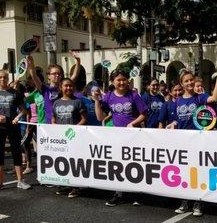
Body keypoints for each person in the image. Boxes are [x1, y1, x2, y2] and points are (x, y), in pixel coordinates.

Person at [166, 69, 217, 216]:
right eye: (186, 81)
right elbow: (177, 119)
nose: (189, 83)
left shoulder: (200, 97)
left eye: (191, 80)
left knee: (198, 173)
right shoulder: (177, 101)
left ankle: (199, 202)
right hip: (183, 143)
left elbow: (215, 98)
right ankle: (185, 202)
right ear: (182, 84)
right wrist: (172, 124)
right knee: (185, 173)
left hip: (199, 141)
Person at [93, 70, 147, 206]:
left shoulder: (133, 95)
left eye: (124, 79)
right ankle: (119, 193)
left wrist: (132, 123)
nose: (122, 82)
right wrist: (97, 102)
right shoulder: (109, 97)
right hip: (117, 137)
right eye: (118, 80)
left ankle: (137, 193)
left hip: (134, 135)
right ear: (113, 82)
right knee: (118, 165)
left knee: (135, 164)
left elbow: (144, 114)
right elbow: (100, 117)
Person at [0, 70, 31, 191]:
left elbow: (23, 110)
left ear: (7, 78)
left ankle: (20, 181)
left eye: (5, 77)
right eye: (0, 77)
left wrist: (17, 117)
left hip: (13, 127)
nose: (3, 79)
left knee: (16, 152)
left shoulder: (15, 93)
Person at [52, 78, 86, 198]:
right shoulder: (56, 103)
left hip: (74, 137)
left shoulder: (78, 102)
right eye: (66, 86)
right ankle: (64, 185)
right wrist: (54, 126)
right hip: (61, 138)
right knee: (62, 161)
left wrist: (74, 128)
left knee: (74, 162)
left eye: (70, 86)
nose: (68, 88)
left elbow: (83, 119)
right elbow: (53, 119)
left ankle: (76, 187)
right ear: (61, 87)